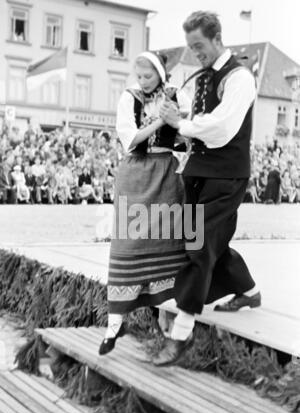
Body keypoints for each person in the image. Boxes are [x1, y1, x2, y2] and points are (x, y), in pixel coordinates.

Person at [154, 11, 261, 366]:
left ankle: (181, 332)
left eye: (199, 45)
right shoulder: (204, 76)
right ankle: (249, 291)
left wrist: (181, 123)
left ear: (217, 39)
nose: (195, 52)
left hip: (226, 174)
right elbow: (195, 123)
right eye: (191, 46)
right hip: (199, 170)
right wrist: (173, 116)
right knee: (207, 240)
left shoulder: (240, 77)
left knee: (199, 245)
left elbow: (222, 127)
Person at [99, 50, 191, 355]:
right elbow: (132, 138)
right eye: (139, 76)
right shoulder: (129, 97)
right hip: (135, 175)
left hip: (166, 173)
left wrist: (176, 122)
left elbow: (189, 138)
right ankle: (114, 323)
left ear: (161, 75)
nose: (142, 81)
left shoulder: (178, 96)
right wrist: (159, 122)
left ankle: (168, 318)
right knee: (126, 245)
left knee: (170, 243)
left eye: (148, 76)